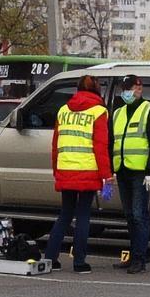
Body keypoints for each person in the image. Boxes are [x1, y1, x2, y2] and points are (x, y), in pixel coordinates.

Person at [44, 75, 111, 272]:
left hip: (66, 169)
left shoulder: (63, 110)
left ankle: (50, 258)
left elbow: (55, 144)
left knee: (65, 214)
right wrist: (106, 176)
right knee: (83, 215)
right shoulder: (99, 111)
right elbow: (100, 146)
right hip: (87, 170)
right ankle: (79, 262)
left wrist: (56, 169)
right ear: (96, 89)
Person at [109, 74, 150, 274]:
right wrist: (111, 169)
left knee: (139, 215)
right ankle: (134, 255)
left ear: (139, 88)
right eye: (124, 89)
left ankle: (140, 259)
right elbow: (112, 142)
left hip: (141, 173)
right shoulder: (118, 113)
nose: (126, 92)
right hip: (123, 170)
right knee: (129, 215)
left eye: (130, 88)